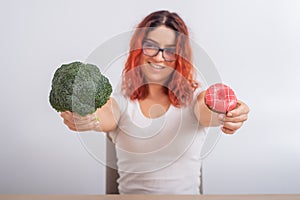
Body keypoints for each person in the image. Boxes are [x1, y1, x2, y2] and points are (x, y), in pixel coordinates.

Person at [60, 10, 249, 194]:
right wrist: (84, 116)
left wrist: (228, 113)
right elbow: (105, 114)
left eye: (170, 51)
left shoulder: (194, 98)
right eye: (150, 45)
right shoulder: (123, 100)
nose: (159, 57)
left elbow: (208, 111)